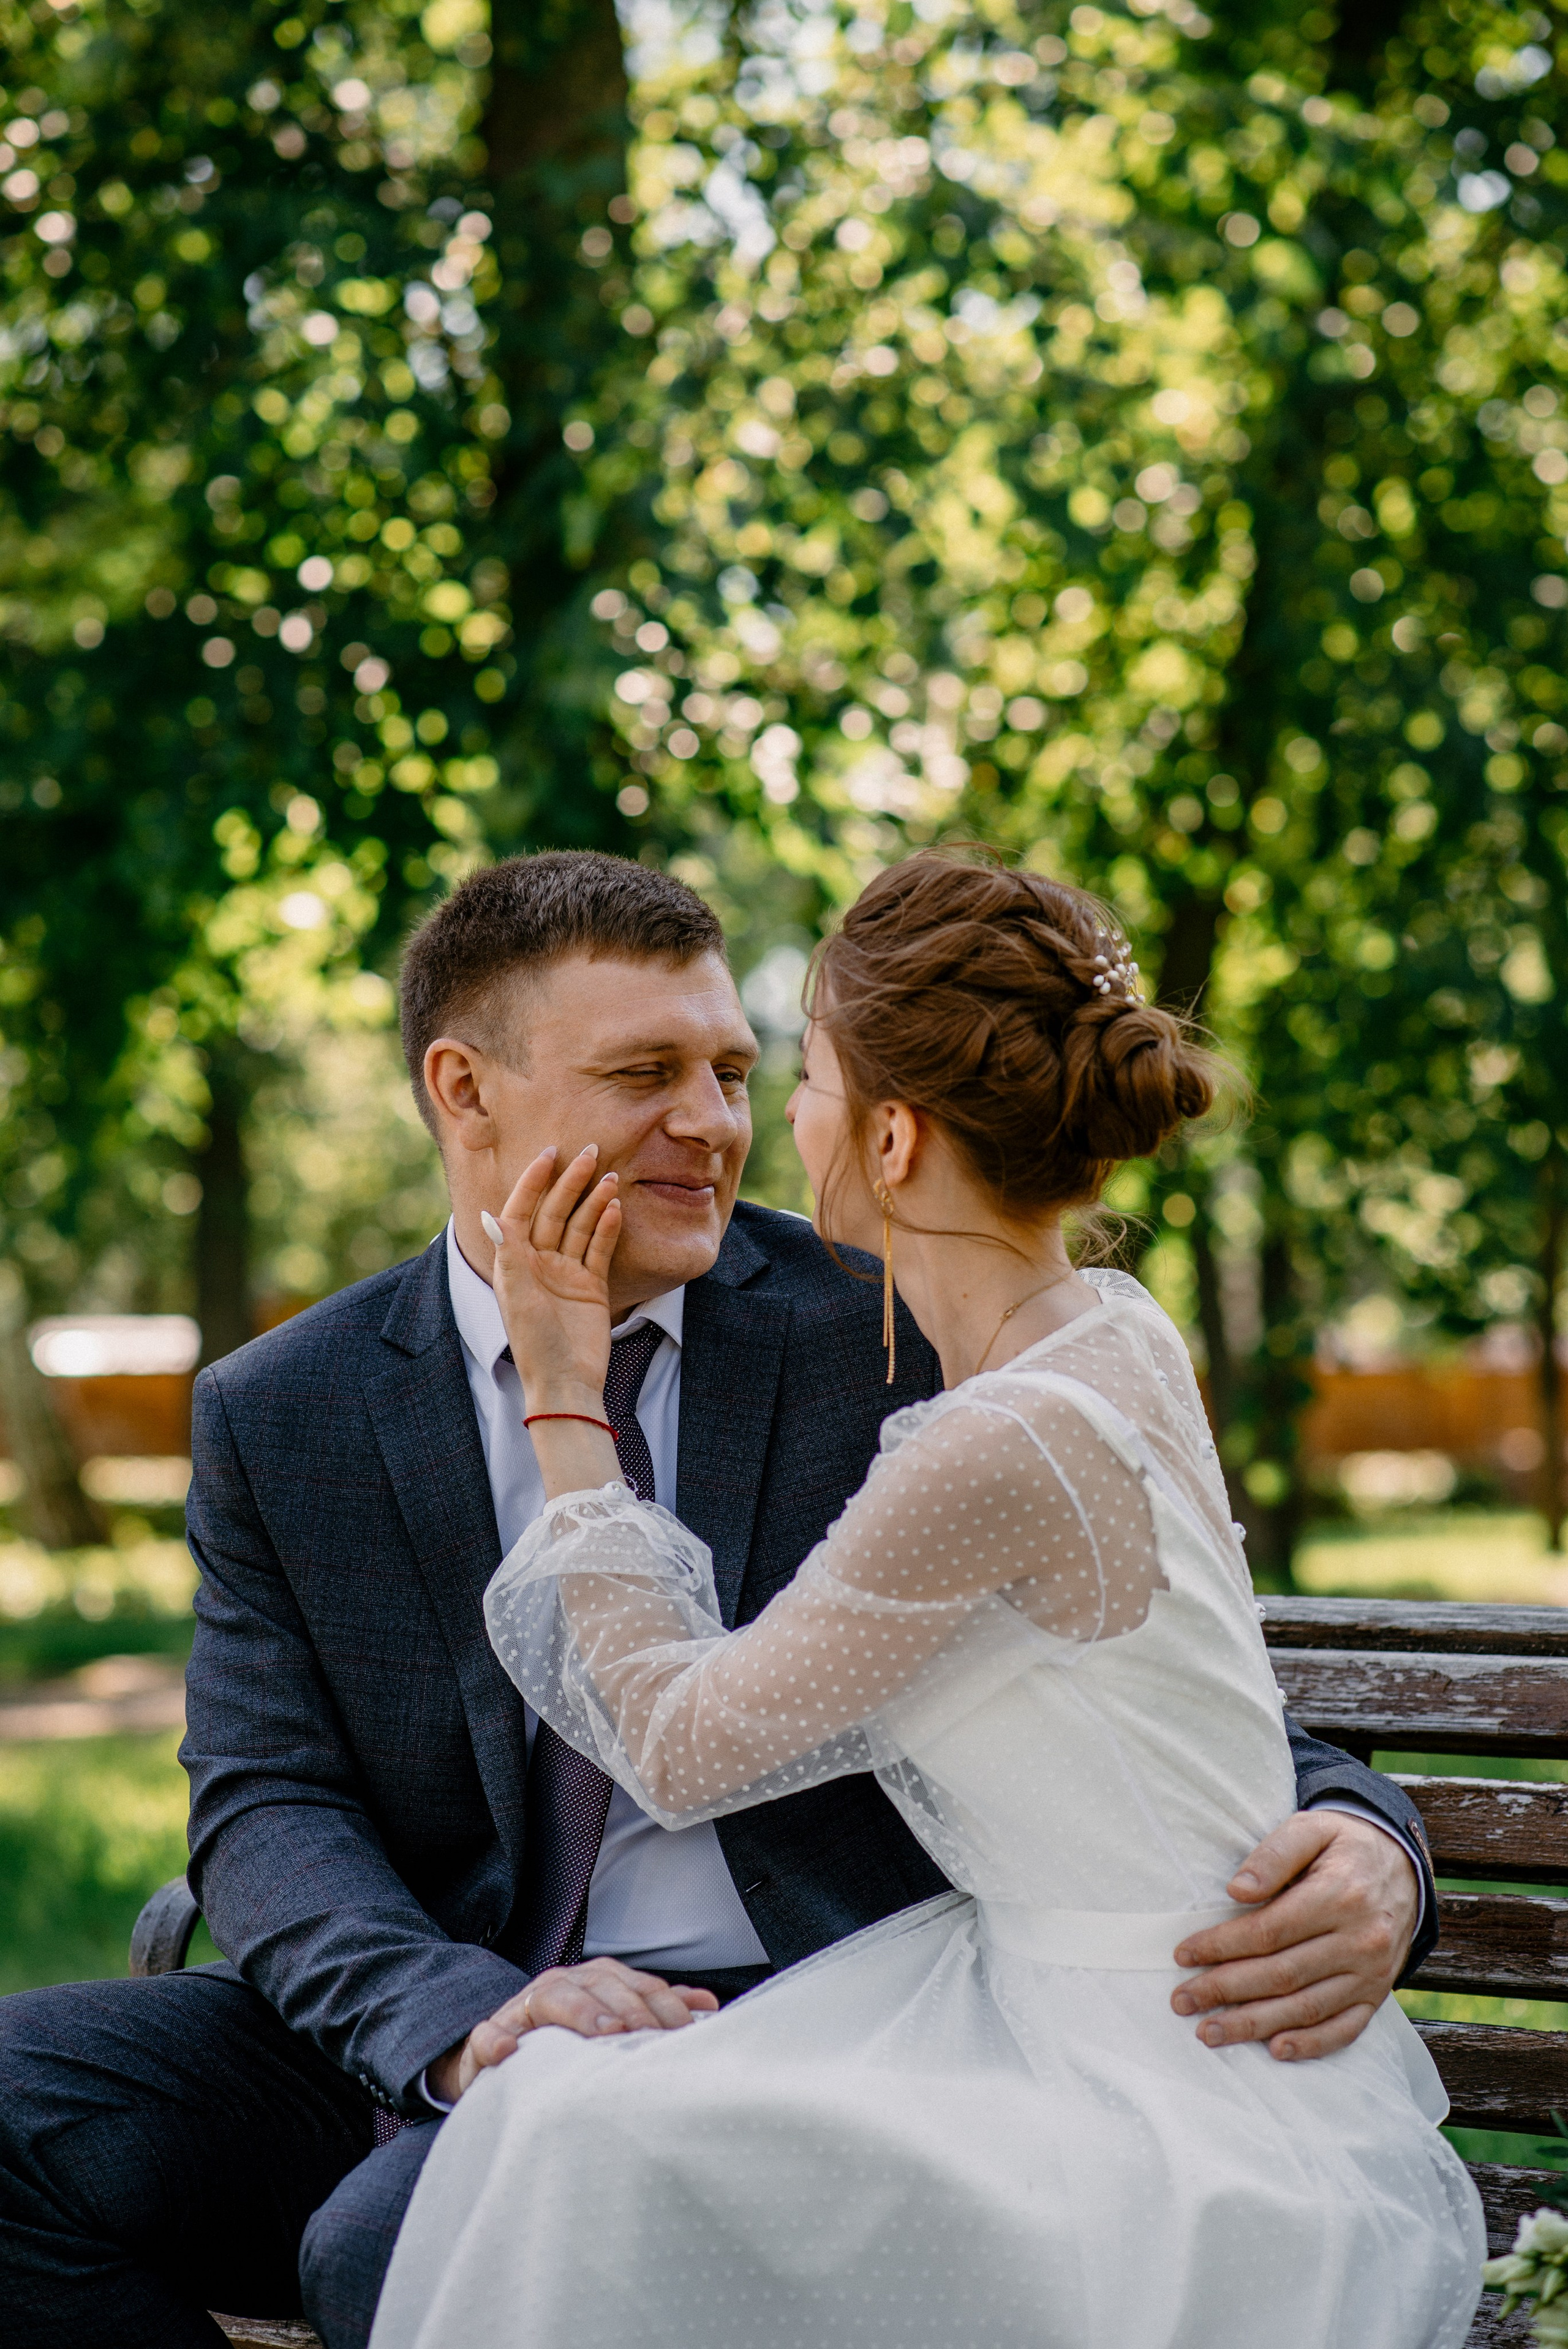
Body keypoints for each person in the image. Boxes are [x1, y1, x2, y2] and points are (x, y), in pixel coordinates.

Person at [0, 852, 1436, 2349]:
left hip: (829, 2012)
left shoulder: (899, 1316)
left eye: (739, 1071)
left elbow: (1152, 1670)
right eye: (645, 1072)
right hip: (459, 2002)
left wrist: (1366, 1839)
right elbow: (263, 1800)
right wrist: (455, 2022)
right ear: (463, 1090)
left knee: (405, 2234)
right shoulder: (282, 1407)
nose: (714, 1122)